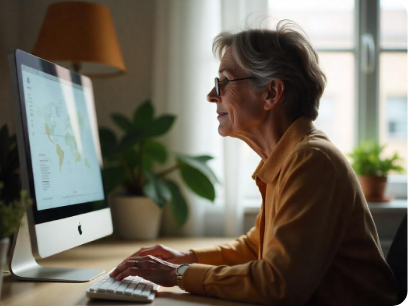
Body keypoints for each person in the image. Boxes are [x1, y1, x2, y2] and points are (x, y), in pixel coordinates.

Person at [110, 20, 397, 305]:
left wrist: (179, 274)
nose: (212, 96)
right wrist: (187, 259)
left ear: (271, 93)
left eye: (223, 82)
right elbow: (255, 246)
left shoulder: (311, 160)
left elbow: (277, 283)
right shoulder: (288, 157)